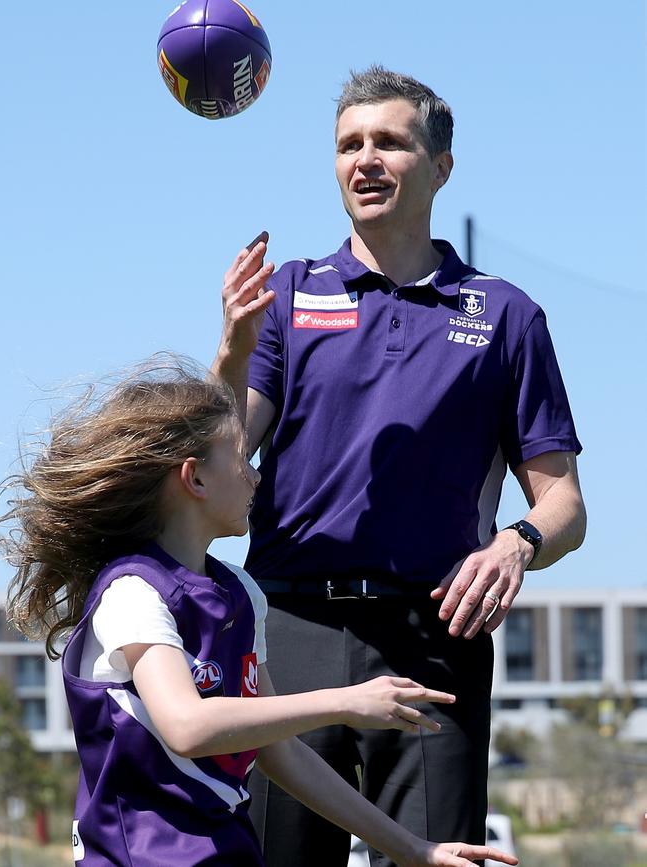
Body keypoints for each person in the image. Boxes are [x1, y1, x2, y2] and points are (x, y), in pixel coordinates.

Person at [213, 65, 586, 867]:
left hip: (432, 636)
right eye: (349, 144)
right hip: (290, 631)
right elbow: (221, 450)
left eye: (389, 141)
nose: (365, 160)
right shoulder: (287, 295)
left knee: (436, 857)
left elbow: (565, 506)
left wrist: (517, 542)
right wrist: (229, 352)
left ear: (441, 166)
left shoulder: (507, 314)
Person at [0, 356, 517, 867]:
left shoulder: (241, 593)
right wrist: (341, 702)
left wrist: (414, 850)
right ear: (194, 479)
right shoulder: (134, 593)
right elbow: (187, 725)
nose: (256, 477)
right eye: (241, 458)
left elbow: (283, 752)